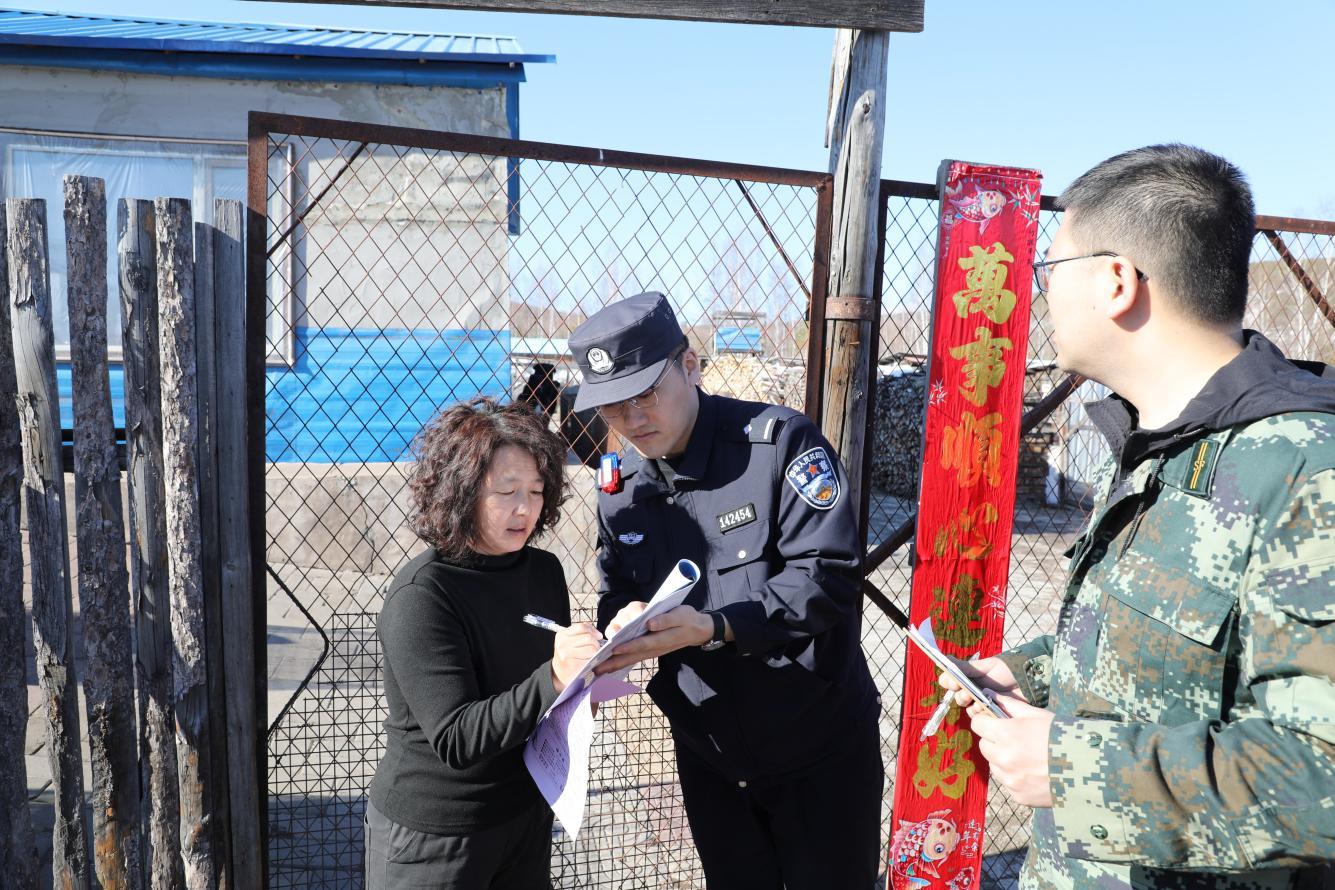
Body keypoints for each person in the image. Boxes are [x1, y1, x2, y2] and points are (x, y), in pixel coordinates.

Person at [941, 144, 1335, 889]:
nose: (1040, 296)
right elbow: (1163, 655)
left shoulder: (1305, 471)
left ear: (1116, 281)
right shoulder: (1160, 445)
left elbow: (1321, 778)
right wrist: (1026, 675)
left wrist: (1072, 769)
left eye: (1049, 271)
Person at [568, 292, 883, 889]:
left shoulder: (777, 445)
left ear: (690, 366)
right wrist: (621, 620)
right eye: (612, 406)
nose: (632, 419)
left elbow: (828, 574)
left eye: (645, 394)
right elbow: (615, 590)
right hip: (710, 754)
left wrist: (717, 626)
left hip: (816, 747)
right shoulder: (621, 490)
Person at [365, 397, 603, 890]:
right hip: (438, 830)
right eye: (507, 492)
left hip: (526, 808)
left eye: (536, 491)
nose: (525, 509)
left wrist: (587, 680)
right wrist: (555, 676)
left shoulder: (543, 571)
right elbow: (456, 738)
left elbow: (541, 698)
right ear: (461, 492)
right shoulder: (423, 595)